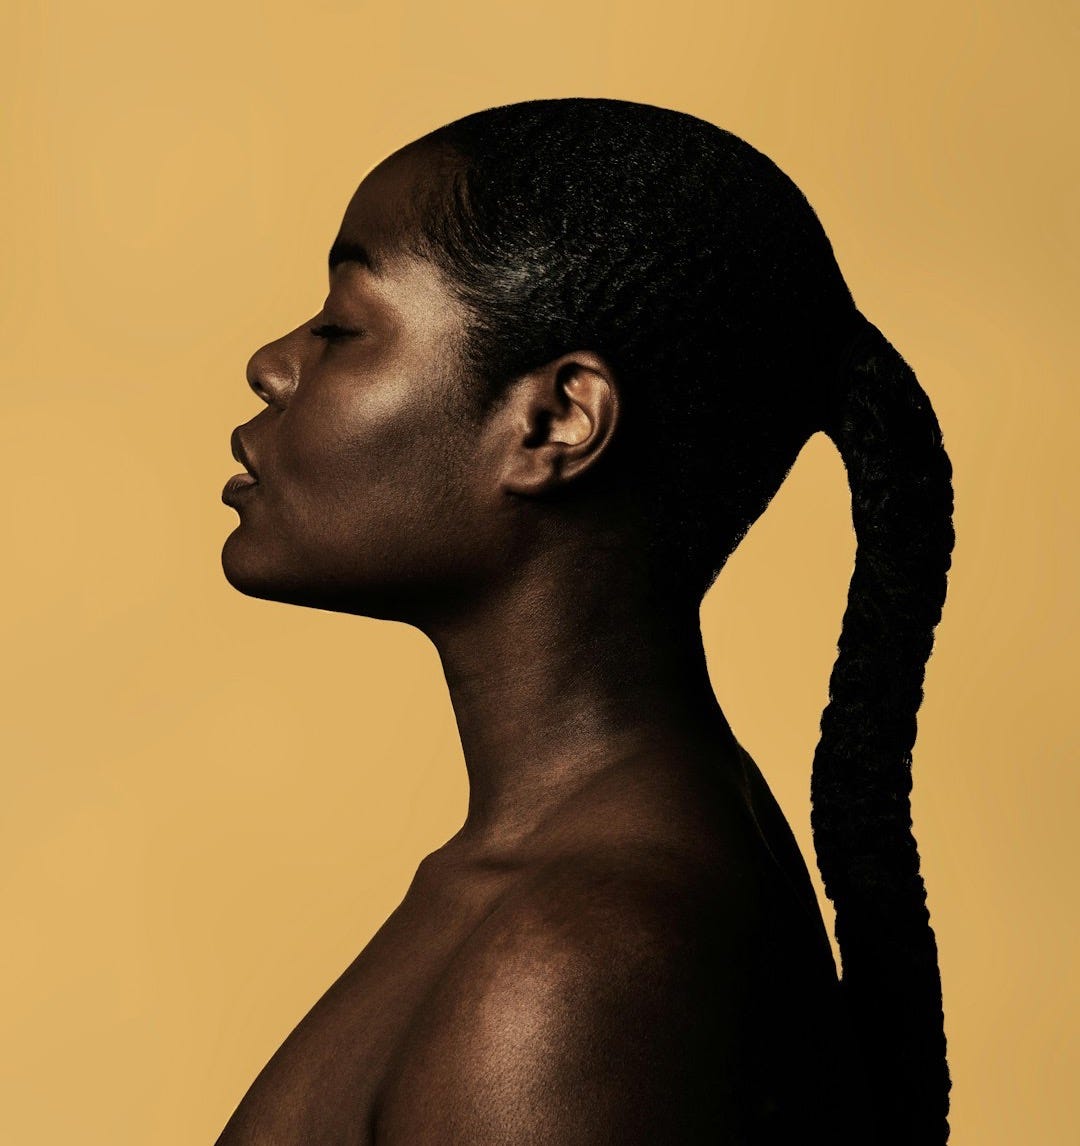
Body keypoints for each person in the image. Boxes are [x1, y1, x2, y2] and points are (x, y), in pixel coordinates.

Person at [218, 97, 953, 1145]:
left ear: (557, 422)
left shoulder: (577, 960)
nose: (272, 364)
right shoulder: (553, 882)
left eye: (343, 327)